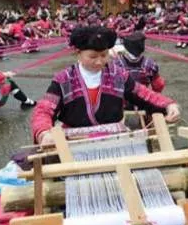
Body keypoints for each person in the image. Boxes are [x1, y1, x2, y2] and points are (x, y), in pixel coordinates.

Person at [31, 26, 180, 144]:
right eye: (92, 56)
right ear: (78, 53)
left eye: (104, 55)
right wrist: (44, 133)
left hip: (114, 141)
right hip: (74, 143)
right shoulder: (63, 80)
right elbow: (44, 110)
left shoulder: (118, 75)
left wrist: (168, 105)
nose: (99, 61)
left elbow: (143, 94)